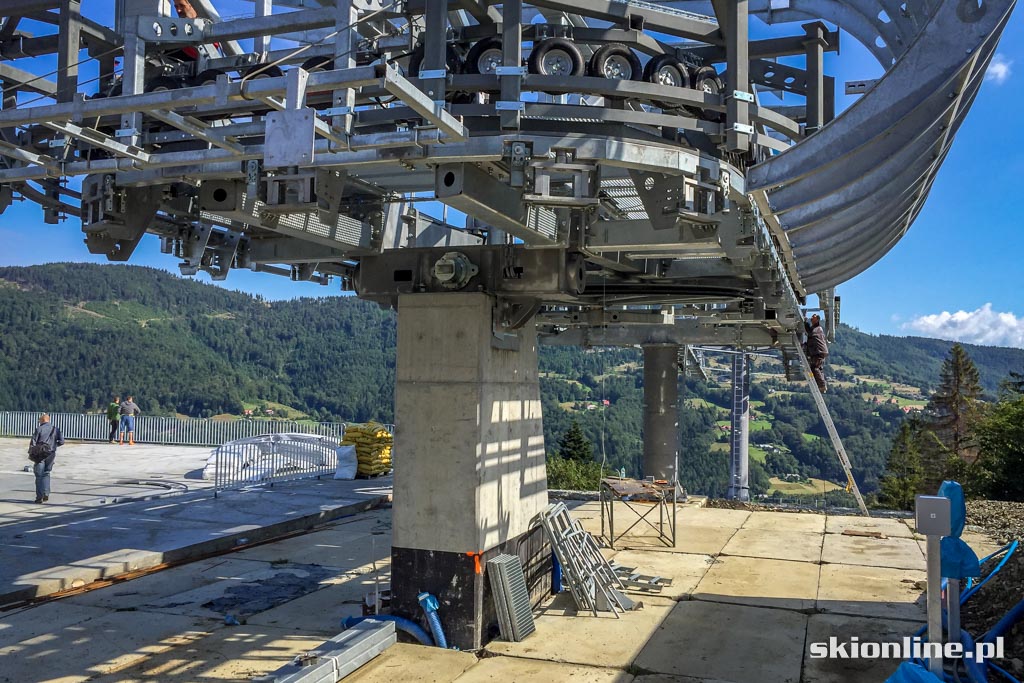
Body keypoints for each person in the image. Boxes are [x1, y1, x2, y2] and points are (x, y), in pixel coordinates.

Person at [29, 414, 64, 504]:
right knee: (46, 473)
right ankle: (46, 493)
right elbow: (62, 441)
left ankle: (39, 497)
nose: (39, 421)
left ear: (42, 420)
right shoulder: (55, 429)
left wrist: (32, 453)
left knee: (39, 475)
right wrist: (54, 446)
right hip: (51, 454)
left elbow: (33, 442)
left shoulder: (39, 429)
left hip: (40, 455)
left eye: (39, 420)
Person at [806, 313, 829, 393]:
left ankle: (822, 385)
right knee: (818, 369)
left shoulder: (817, 329)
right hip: (820, 352)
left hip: (818, 352)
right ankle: (821, 385)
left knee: (815, 368)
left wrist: (805, 323)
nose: (811, 318)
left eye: (813, 317)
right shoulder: (817, 329)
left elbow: (811, 333)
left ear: (817, 320)